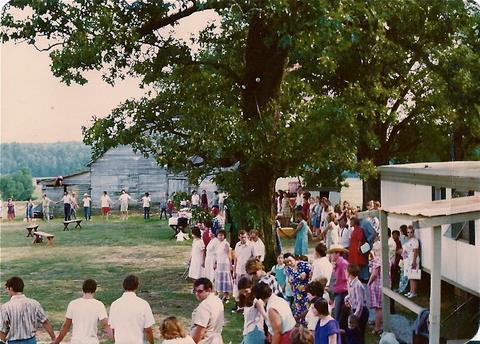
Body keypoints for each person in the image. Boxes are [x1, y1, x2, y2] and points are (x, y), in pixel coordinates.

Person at [52, 279, 111, 344]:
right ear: (95, 290)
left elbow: (66, 326)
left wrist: (57, 341)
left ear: (82, 289)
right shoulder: (99, 305)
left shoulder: (73, 304)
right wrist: (115, 337)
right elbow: (105, 324)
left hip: (76, 341)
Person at [0, 276, 56, 343]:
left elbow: (2, 330)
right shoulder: (34, 303)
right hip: (31, 341)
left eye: (7, 289)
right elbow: (45, 322)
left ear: (10, 288)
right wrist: (54, 338)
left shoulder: (6, 307)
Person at [108, 275, 155, 344]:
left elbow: (113, 329)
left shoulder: (114, 304)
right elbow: (148, 329)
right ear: (137, 286)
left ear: (123, 286)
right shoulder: (143, 304)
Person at [191, 278, 224, 344]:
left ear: (209, 290)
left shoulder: (204, 306)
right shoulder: (218, 301)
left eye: (200, 291)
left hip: (206, 341)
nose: (197, 294)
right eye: (195, 291)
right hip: (217, 340)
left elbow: (200, 331)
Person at [237, 277, 266, 344]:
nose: (244, 294)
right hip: (248, 331)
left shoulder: (257, 301)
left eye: (246, 291)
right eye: (242, 292)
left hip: (255, 331)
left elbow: (265, 316)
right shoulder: (247, 300)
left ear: (251, 287)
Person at [344, 265, 369, 344]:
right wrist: (347, 298)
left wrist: (355, 316)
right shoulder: (351, 283)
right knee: (355, 334)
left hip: (360, 311)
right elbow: (352, 295)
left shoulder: (357, 285)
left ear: (350, 273)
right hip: (355, 310)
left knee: (359, 334)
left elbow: (360, 302)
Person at [284, 255, 312, 323]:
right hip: (297, 293)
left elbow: (312, 271)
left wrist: (307, 274)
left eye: (290, 260)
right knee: (298, 310)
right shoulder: (288, 270)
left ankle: (308, 324)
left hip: (306, 292)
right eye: (287, 262)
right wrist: (290, 282)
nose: (289, 263)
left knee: (307, 309)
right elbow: (290, 281)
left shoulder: (303, 264)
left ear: (294, 258)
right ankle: (300, 326)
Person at [328, 244, 349, 331]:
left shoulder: (343, 264)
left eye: (332, 253)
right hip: (336, 292)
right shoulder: (336, 264)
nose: (330, 255)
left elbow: (346, 279)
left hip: (342, 292)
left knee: (338, 315)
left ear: (337, 254)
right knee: (336, 313)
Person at [367, 241, 384, 335]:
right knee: (380, 306)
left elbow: (374, 274)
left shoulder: (377, 259)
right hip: (383, 284)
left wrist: (369, 283)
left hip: (377, 285)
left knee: (378, 308)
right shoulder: (385, 258)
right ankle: (378, 322)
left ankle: (377, 328)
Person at [348, 217, 369, 283]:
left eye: (351, 221)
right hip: (353, 250)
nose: (350, 223)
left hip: (356, 251)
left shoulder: (359, 229)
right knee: (354, 264)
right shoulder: (354, 229)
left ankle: (359, 279)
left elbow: (360, 239)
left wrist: (358, 248)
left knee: (357, 265)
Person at [214, 230, 233, 302]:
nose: (220, 237)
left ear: (224, 236)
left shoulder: (226, 244)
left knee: (225, 278)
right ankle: (220, 293)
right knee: (219, 278)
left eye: (222, 235)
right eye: (219, 235)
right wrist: (215, 263)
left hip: (225, 264)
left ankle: (227, 294)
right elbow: (217, 255)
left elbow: (229, 255)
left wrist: (231, 265)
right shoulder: (218, 244)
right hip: (219, 263)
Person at [403, 225, 420, 298]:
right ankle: (411, 291)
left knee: (413, 276)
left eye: (411, 232)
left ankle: (414, 292)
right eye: (408, 232)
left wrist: (414, 262)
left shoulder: (415, 241)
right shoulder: (408, 240)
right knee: (410, 276)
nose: (409, 234)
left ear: (413, 233)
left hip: (413, 259)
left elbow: (416, 251)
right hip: (408, 260)